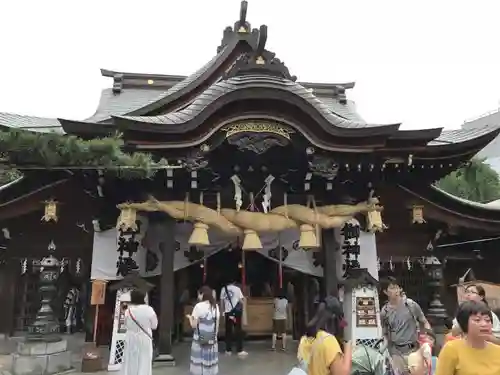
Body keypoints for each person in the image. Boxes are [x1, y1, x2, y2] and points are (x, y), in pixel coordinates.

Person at [380, 276, 431, 375]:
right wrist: (384, 350)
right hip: (396, 351)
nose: (395, 290)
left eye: (396, 287)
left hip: (413, 349)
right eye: (391, 288)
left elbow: (424, 321)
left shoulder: (411, 305)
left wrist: (427, 338)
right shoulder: (384, 311)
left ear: (400, 289)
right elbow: (385, 333)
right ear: (386, 292)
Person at [435, 300, 500, 375]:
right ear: (464, 323)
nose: (484, 324)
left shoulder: (498, 351)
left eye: (487, 320)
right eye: (477, 320)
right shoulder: (451, 349)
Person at [296, 299, 352, 375]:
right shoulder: (329, 341)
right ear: (334, 318)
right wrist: (348, 348)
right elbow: (342, 373)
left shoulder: (304, 339)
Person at [121, 290, 158, 375]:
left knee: (131, 361)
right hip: (145, 337)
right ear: (144, 298)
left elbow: (125, 325)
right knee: (145, 360)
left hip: (131, 338)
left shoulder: (128, 311)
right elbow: (154, 325)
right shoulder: (149, 310)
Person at [187, 286, 220, 375]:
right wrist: (214, 337)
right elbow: (217, 325)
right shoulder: (215, 306)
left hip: (200, 339)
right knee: (210, 362)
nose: (198, 297)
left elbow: (194, 325)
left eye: (199, 294)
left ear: (202, 294)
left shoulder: (198, 306)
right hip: (212, 339)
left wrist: (190, 318)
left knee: (200, 363)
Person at [220, 279, 247, 357]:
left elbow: (222, 302)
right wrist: (244, 301)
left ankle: (228, 350)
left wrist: (222, 312)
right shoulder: (237, 289)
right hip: (236, 313)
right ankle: (239, 350)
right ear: (234, 282)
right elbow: (241, 301)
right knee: (238, 330)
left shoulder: (223, 289)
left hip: (227, 313)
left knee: (228, 331)